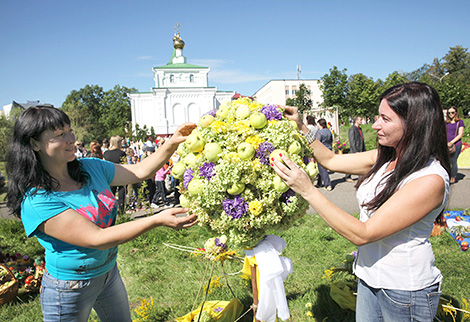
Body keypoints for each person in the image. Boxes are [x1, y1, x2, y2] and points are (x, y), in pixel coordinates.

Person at [272, 82, 450, 321]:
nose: (375, 125)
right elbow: (331, 160)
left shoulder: (430, 179)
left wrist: (308, 190)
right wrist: (302, 126)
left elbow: (363, 234)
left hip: (404, 291)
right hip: (368, 277)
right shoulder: (385, 158)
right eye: (378, 116)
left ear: (414, 123)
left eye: (385, 119)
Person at [5, 105, 197, 322]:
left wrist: (171, 142)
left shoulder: (90, 168)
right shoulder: (38, 200)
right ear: (34, 143)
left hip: (107, 273)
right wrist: (155, 220)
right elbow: (98, 238)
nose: (71, 139)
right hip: (70, 287)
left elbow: (140, 170)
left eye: (70, 130)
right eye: (60, 135)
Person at [104, 136, 127, 212]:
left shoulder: (106, 153)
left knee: (110, 194)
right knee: (121, 193)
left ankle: (110, 210)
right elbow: (125, 164)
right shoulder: (122, 153)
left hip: (110, 175)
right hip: (120, 174)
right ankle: (121, 210)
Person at [445, 106, 465, 184]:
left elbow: (460, 134)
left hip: (456, 144)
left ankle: (453, 176)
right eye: (449, 113)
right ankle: (447, 175)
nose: (451, 114)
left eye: (452, 112)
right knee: (446, 161)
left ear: (456, 113)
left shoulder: (460, 122)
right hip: (446, 144)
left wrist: (451, 142)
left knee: (453, 161)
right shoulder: (446, 122)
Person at [345, 115, 366, 182]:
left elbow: (361, 139)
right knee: (352, 164)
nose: (361, 121)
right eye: (360, 120)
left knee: (360, 163)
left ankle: (361, 176)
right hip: (355, 149)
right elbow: (352, 141)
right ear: (356, 121)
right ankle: (347, 176)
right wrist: (355, 150)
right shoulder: (352, 129)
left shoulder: (360, 129)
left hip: (361, 148)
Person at [315, 118, 333, 191]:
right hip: (329, 149)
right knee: (321, 168)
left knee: (322, 168)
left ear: (320, 125)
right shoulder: (329, 131)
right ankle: (319, 183)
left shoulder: (319, 132)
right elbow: (331, 141)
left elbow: (317, 143)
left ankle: (328, 184)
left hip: (322, 150)